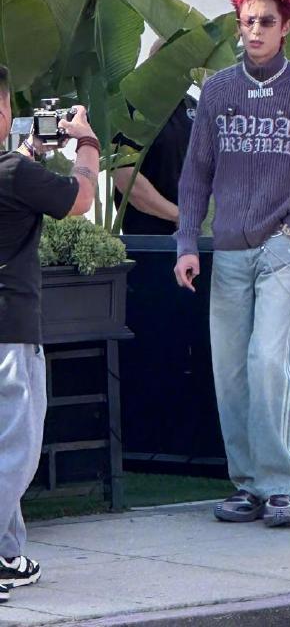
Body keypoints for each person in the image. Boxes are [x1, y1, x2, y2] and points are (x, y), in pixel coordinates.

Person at [174, 0, 290, 528]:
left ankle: (279, 486)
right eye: (247, 21)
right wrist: (186, 242)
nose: (255, 30)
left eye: (266, 21)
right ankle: (247, 484)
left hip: (280, 248)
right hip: (227, 250)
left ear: (285, 27)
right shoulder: (218, 92)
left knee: (270, 364)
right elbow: (195, 175)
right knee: (230, 371)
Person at [0, 68, 99, 604]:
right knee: (15, 452)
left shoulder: (16, 171)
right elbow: (80, 199)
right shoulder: (15, 173)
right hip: (10, 331)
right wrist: (86, 142)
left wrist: (33, 152)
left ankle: (8, 556)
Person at [114, 38, 196, 235]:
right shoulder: (131, 105)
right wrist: (179, 216)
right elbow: (126, 178)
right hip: (149, 238)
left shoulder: (194, 107)